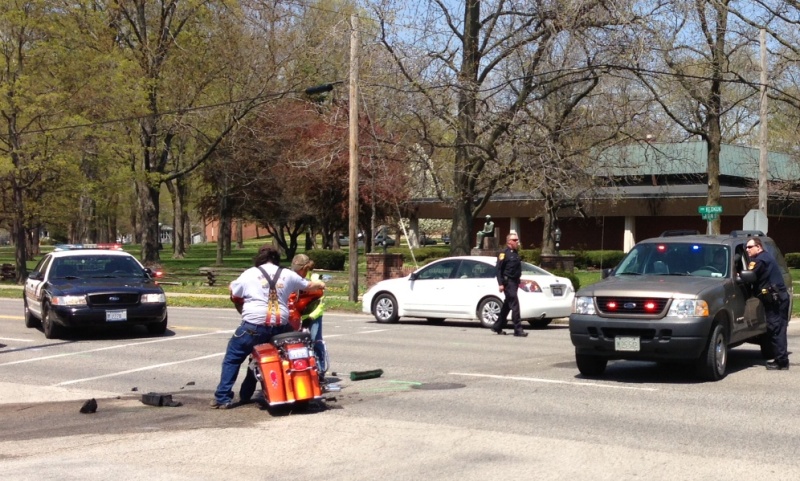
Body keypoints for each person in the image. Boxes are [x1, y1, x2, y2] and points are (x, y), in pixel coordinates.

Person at [211, 245, 325, 409]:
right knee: (261, 355)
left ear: (259, 259)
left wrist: (232, 285)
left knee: (233, 358)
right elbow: (310, 286)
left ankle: (223, 398)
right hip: (280, 327)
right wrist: (320, 283)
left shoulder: (249, 273)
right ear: (277, 260)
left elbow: (235, 292)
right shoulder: (287, 274)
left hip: (253, 326)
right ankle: (246, 393)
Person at [746, 238, 790, 370]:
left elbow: (748, 276)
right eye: (746, 247)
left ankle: (781, 362)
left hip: (775, 300)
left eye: (750, 247)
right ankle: (781, 359)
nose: (747, 250)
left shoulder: (760, 260)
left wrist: (739, 275)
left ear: (758, 247)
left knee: (775, 329)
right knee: (779, 329)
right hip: (780, 298)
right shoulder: (766, 257)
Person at [289, 254, 329, 383]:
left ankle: (320, 371)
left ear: (306, 268)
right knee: (295, 343)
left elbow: (321, 299)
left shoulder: (314, 278)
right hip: (296, 314)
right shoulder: (290, 276)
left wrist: (312, 316)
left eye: (299, 269)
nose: (296, 272)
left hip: (313, 314)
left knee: (315, 340)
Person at [492, 233, 527, 337]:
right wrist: (500, 284)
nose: (517, 242)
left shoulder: (515, 253)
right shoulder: (504, 253)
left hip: (515, 282)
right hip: (508, 283)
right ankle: (518, 329)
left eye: (517, 240)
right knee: (515, 305)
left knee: (507, 305)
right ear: (509, 242)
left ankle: (497, 326)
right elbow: (498, 270)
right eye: (515, 240)